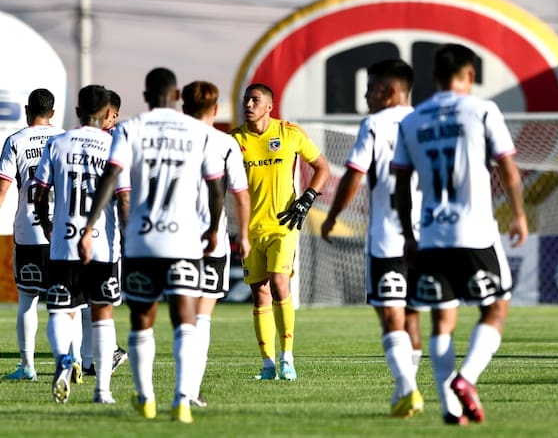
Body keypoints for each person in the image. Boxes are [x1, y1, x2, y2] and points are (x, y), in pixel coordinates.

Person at [391, 43, 528, 425]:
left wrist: (408, 234)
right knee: (496, 307)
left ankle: (450, 409)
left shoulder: (412, 120)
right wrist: (518, 215)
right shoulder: (483, 110)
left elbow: (401, 183)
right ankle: (466, 380)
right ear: (469, 75)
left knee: (442, 321)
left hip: (432, 234)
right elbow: (509, 169)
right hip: (477, 233)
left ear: (435, 77)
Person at [78, 67, 225, 424]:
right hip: (185, 240)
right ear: (176, 96)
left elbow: (110, 178)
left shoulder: (130, 128)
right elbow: (215, 184)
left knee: (142, 321)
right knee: (185, 321)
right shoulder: (198, 131)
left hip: (143, 241)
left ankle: (145, 398)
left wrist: (88, 226)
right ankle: (182, 399)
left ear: (145, 96)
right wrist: (215, 229)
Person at [320, 59, 424, 418]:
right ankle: (406, 390)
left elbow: (354, 175)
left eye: (372, 87)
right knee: (413, 316)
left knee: (390, 314)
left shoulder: (376, 124)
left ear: (391, 92)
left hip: (388, 237)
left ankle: (407, 388)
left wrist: (332, 216)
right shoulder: (426, 122)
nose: (365, 94)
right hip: (427, 238)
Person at [32, 84, 127, 405]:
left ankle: (62, 359)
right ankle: (103, 391)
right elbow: (124, 197)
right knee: (103, 314)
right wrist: (128, 236)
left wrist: (46, 224)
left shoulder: (56, 143)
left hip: (65, 240)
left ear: (77, 112)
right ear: (106, 114)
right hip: (104, 243)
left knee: (61, 310)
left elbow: (39, 191)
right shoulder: (116, 145)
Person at [231, 83, 330, 381]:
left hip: (284, 225)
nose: (248, 104)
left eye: (255, 100)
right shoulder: (234, 140)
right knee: (259, 293)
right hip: (251, 228)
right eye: (246, 100)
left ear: (269, 107)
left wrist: (308, 198)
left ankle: (288, 357)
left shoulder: (290, 133)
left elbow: (322, 167)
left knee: (279, 284)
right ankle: (267, 364)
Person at [0, 88, 63, 382]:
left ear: (27, 110)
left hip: (30, 231)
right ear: (53, 112)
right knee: (72, 304)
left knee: (28, 301)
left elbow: (1, 189)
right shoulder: (64, 139)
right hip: (64, 232)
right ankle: (76, 361)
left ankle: (27, 366)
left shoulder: (16, 141)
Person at [181, 80, 251, 407]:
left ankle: (150, 392)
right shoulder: (224, 143)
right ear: (214, 109)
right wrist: (245, 235)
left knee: (175, 317)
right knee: (203, 316)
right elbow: (239, 193)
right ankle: (189, 391)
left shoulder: (170, 138)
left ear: (183, 106)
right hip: (212, 239)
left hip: (171, 238)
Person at [80, 89, 129, 378]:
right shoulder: (88, 140)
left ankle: (103, 355)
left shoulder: (119, 144)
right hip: (84, 230)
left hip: (107, 234)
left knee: (97, 302)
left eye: (109, 114)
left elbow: (124, 192)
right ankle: (90, 360)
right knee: (84, 302)